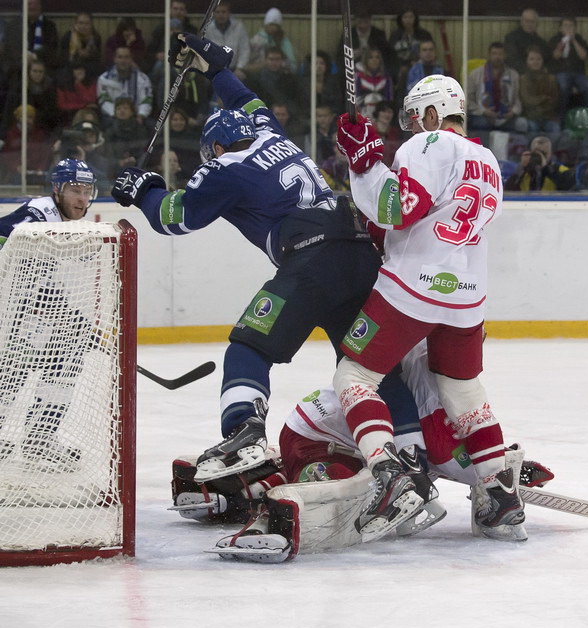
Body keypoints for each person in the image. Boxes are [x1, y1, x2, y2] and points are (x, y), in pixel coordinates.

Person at [110, 34, 414, 490]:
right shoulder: (271, 132)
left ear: (214, 148)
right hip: (361, 257)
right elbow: (246, 99)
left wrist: (144, 189)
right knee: (368, 369)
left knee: (248, 348)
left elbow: (176, 219)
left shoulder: (224, 168)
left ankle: (243, 433)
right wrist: (216, 71)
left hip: (313, 262)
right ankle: (410, 452)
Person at [332, 74, 526, 543]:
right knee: (463, 390)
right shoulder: (488, 160)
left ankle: (390, 475)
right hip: (467, 295)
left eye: (416, 117)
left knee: (354, 376)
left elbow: (398, 209)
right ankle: (499, 493)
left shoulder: (428, 144)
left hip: (414, 286)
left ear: (434, 114)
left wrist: (364, 165)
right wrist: (372, 164)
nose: (413, 127)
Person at [170, 340, 556, 561]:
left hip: (334, 433)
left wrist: (499, 467)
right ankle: (267, 506)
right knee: (364, 491)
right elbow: (450, 457)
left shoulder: (431, 371)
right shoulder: (443, 400)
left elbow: (453, 454)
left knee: (388, 476)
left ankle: (250, 482)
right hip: (313, 438)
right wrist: (500, 475)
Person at [0, 159, 99, 470]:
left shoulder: (60, 219)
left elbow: (40, 274)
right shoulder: (41, 212)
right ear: (57, 190)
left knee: (64, 361)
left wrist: (66, 312)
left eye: (87, 191)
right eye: (74, 190)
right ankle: (38, 441)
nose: (81, 199)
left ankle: (39, 440)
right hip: (13, 313)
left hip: (25, 310)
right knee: (11, 373)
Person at [466, 41, 526, 136]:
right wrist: (483, 111)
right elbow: (469, 100)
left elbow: (518, 99)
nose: (497, 57)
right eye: (494, 54)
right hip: (483, 116)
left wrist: (513, 112)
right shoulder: (475, 74)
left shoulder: (513, 75)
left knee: (522, 124)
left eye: (500, 54)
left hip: (507, 117)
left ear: (505, 56)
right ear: (489, 55)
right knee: (481, 123)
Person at [547, 17, 588, 113]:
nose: (568, 28)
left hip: (578, 74)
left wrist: (573, 41)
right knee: (563, 87)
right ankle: (562, 120)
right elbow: (556, 56)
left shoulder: (579, 39)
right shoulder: (554, 39)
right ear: (560, 28)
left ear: (575, 28)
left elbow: (583, 56)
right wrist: (564, 42)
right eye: (565, 26)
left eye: (571, 26)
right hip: (560, 73)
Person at [97, 46, 153, 126]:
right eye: (120, 57)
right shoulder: (104, 79)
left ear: (131, 59)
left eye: (126, 57)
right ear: (115, 59)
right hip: (113, 117)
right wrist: (119, 115)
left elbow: (146, 101)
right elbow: (105, 102)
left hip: (137, 116)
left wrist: (141, 115)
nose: (123, 61)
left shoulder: (143, 79)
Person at [505, 135, 576, 192]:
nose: (540, 156)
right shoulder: (524, 171)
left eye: (543, 154)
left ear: (550, 154)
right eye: (536, 153)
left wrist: (545, 168)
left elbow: (568, 188)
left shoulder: (560, 170)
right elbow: (508, 191)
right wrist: (520, 168)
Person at [519, 45, 560, 135]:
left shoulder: (551, 79)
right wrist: (543, 98)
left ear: (542, 61)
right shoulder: (523, 79)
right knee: (532, 127)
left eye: (538, 59)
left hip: (549, 116)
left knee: (555, 128)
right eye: (532, 59)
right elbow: (526, 100)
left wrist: (542, 105)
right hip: (530, 116)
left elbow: (554, 100)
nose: (535, 62)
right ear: (527, 61)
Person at [206, 0, 250, 82]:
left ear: (229, 13)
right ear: (213, 14)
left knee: (243, 80)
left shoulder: (239, 27)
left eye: (223, 12)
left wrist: (240, 68)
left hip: (235, 68)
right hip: (215, 69)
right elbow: (205, 51)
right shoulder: (208, 29)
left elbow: (245, 50)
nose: (220, 15)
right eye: (217, 12)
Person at [247, 7, 296, 75]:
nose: (273, 27)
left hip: (280, 74)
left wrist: (279, 64)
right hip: (259, 74)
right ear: (265, 25)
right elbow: (248, 63)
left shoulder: (284, 41)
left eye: (276, 25)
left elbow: (293, 65)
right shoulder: (256, 40)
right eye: (271, 24)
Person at [58, 12, 103, 79]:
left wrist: (88, 55)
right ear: (76, 24)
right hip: (71, 66)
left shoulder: (95, 37)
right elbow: (63, 57)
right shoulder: (68, 36)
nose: (83, 26)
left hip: (89, 67)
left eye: (87, 23)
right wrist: (77, 54)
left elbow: (97, 57)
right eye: (81, 23)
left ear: (91, 24)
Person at [504, 8, 550, 73]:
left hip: (538, 74)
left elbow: (547, 58)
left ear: (537, 24)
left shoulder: (541, 42)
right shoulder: (511, 37)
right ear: (521, 22)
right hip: (517, 73)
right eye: (527, 21)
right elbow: (512, 60)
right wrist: (528, 71)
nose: (529, 24)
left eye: (532, 22)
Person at [354, 47, 394, 120]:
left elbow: (389, 100)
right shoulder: (358, 77)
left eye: (377, 57)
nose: (374, 60)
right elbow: (356, 100)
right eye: (370, 57)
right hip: (363, 115)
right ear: (365, 60)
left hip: (382, 116)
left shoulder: (386, 77)